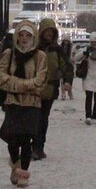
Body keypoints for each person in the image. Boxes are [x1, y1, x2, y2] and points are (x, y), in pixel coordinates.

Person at [0, 23, 49, 187]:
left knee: (26, 140)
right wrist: (26, 85)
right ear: (17, 36)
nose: (24, 38)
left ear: (33, 38)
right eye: (22, 35)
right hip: (13, 102)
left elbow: (41, 82)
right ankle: (15, 165)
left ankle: (23, 172)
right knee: (12, 138)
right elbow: (0, 77)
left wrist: (16, 84)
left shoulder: (40, 56)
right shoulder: (9, 54)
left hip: (32, 104)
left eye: (28, 36)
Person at [32, 18, 63, 160]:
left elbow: (66, 67)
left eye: (52, 31)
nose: (50, 33)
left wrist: (66, 81)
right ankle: (34, 147)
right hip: (34, 89)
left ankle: (39, 147)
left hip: (50, 89)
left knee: (43, 119)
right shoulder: (34, 48)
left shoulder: (57, 50)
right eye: (47, 31)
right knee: (35, 118)